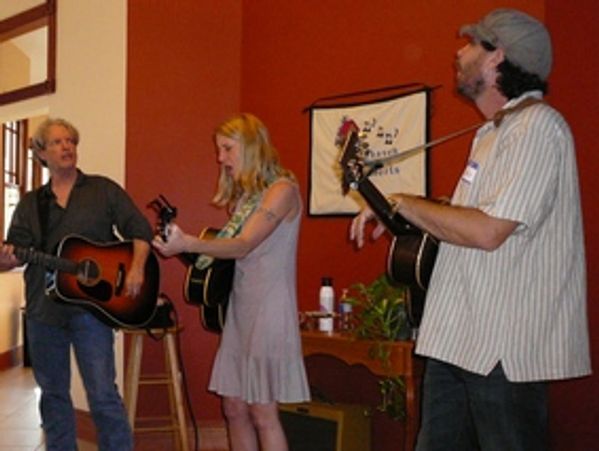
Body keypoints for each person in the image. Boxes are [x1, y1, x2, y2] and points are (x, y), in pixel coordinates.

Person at [350, 8, 590, 451]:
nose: (458, 53)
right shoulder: (493, 133)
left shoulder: (538, 128)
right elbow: (472, 218)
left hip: (502, 349)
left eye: (470, 45)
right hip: (458, 337)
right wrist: (399, 210)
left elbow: (488, 231)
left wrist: (407, 202)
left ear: (496, 57)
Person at [153, 113, 310, 451]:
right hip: (240, 310)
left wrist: (189, 243)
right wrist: (181, 248)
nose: (220, 158)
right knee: (234, 408)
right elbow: (227, 254)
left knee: (263, 413)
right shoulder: (245, 199)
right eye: (219, 150)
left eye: (226, 148)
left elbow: (243, 245)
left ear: (251, 147)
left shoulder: (282, 190)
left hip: (269, 312)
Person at [0, 118, 153, 450]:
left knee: (102, 395)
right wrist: (7, 257)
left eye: (71, 140)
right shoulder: (30, 204)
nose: (67, 146)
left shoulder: (102, 190)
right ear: (41, 152)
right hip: (43, 310)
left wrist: (138, 268)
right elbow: (14, 255)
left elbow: (140, 229)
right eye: (57, 142)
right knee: (53, 395)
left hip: (93, 311)